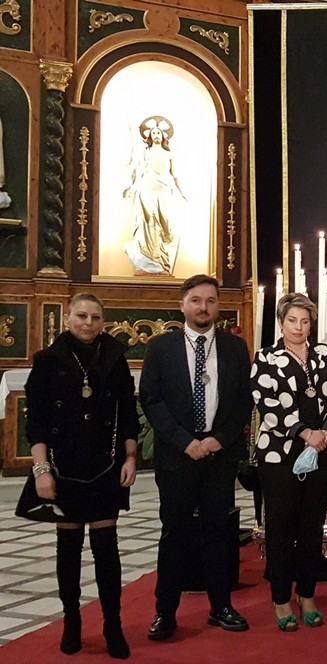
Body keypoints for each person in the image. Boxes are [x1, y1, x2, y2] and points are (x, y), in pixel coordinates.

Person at [15, 294, 140, 659]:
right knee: (68, 552)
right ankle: (72, 622)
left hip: (105, 464)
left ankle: (113, 625)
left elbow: (128, 413)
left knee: (107, 551)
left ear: (103, 321)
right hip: (63, 466)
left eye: (95, 317)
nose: (88, 322)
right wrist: (42, 470)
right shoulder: (47, 360)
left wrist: (130, 457)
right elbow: (36, 421)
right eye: (81, 316)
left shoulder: (114, 357)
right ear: (67, 318)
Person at [140, 274, 253, 640]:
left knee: (218, 532)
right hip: (178, 456)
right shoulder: (161, 347)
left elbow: (244, 400)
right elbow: (152, 400)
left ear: (218, 306)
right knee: (174, 534)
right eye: (196, 300)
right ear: (182, 305)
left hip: (219, 456)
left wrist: (219, 439)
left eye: (210, 301)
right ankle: (165, 612)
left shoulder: (235, 348)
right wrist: (185, 442)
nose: (204, 307)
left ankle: (221, 606)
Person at [251, 293, 327, 631]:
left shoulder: (325, 354)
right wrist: (305, 433)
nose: (299, 327)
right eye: (292, 320)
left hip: (322, 451)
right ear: (281, 323)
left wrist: (325, 432)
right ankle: (280, 599)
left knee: (310, 528)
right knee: (280, 527)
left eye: (305, 321)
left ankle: (307, 595)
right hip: (280, 453)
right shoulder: (266, 358)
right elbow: (267, 404)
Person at [123, 115, 185, 275]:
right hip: (147, 189)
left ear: (164, 136)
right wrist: (131, 188)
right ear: (149, 136)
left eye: (159, 133)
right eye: (153, 133)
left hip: (163, 191)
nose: (156, 135)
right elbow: (136, 170)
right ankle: (147, 259)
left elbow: (175, 175)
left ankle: (162, 262)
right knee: (148, 221)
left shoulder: (169, 154)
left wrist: (182, 193)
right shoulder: (145, 152)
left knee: (165, 224)